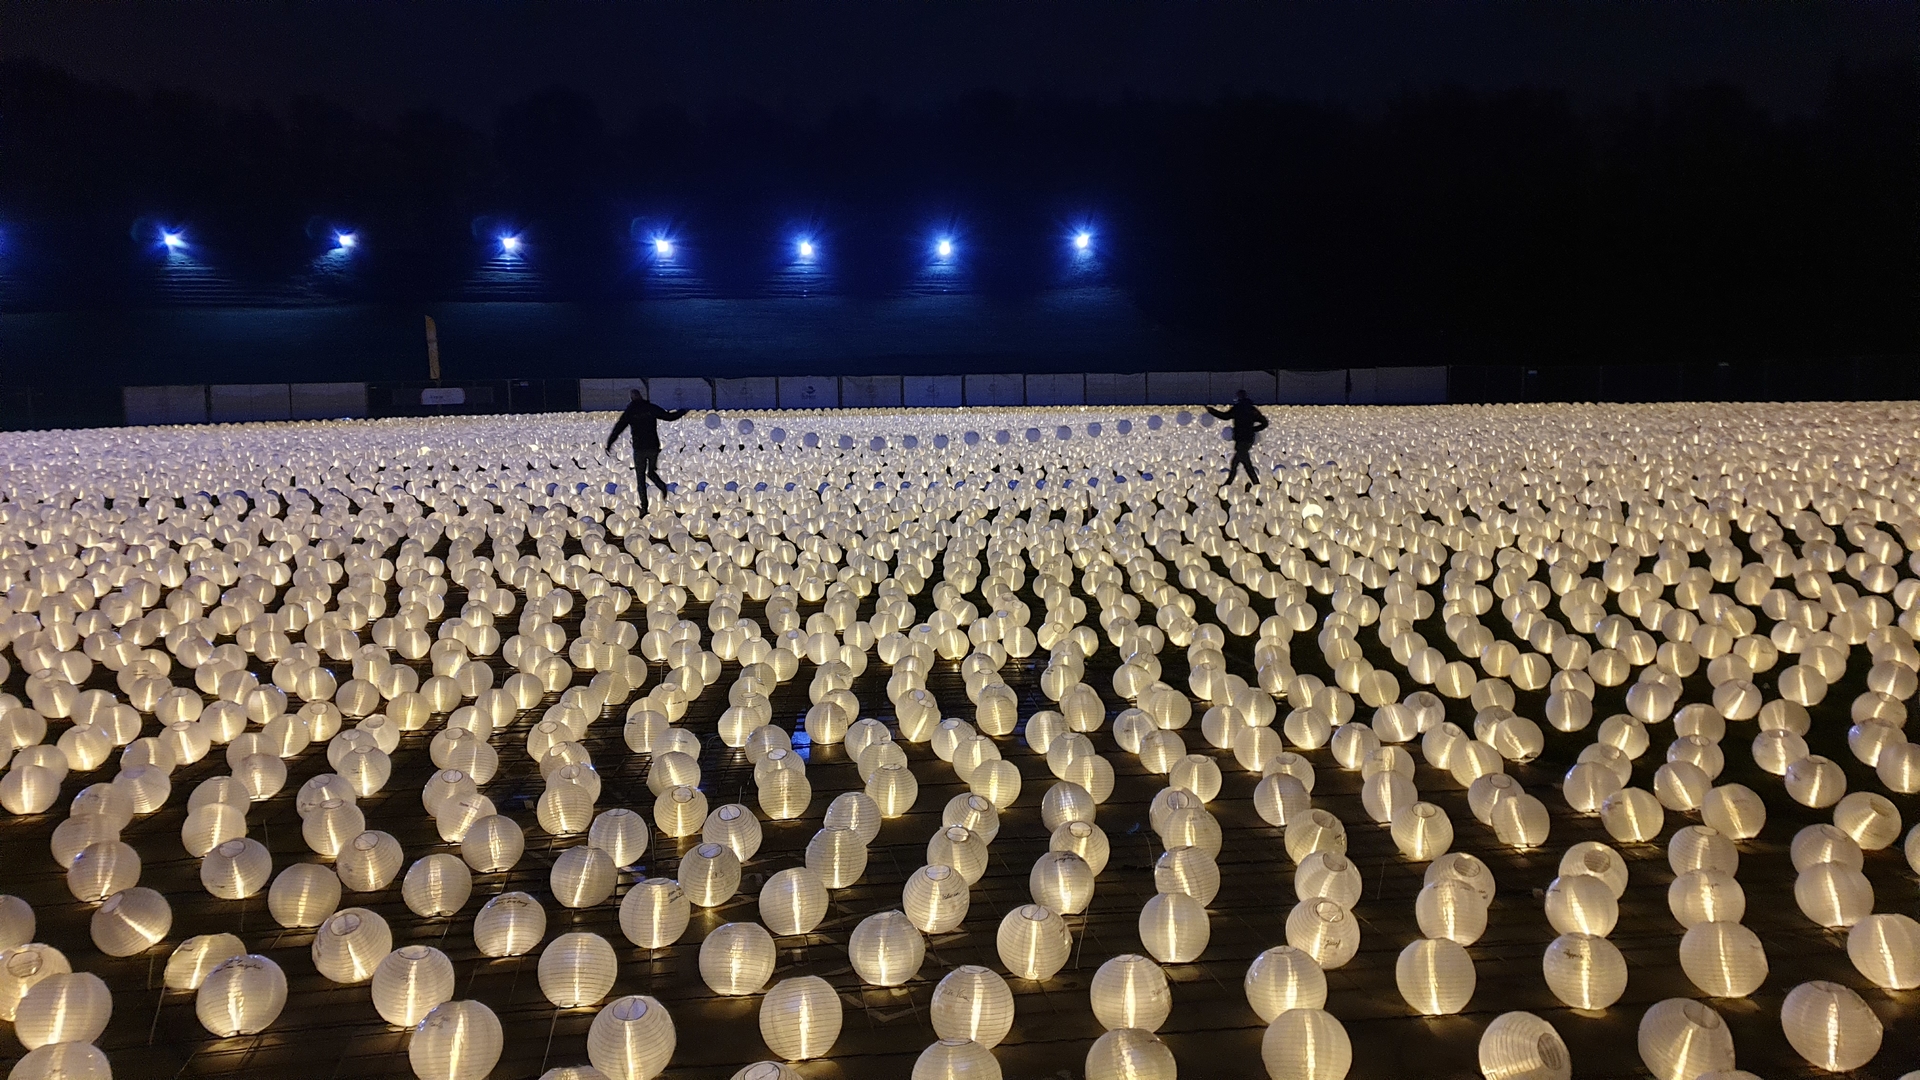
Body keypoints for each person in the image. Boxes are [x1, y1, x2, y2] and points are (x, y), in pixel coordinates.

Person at [604, 388, 688, 514]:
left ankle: (644, 507)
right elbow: (668, 416)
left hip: (639, 448)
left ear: (631, 398)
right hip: (653, 446)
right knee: (651, 472)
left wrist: (610, 443)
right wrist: (682, 412)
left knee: (640, 478)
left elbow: (619, 428)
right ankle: (661, 486)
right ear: (641, 396)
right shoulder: (650, 408)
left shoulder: (630, 411)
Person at [1208, 389, 1270, 485]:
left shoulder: (1238, 408)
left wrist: (1212, 411)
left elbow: (1225, 416)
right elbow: (1264, 423)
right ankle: (1254, 483)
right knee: (1242, 463)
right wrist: (1253, 429)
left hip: (1241, 439)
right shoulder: (1252, 409)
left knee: (1241, 463)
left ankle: (1231, 484)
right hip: (1248, 439)